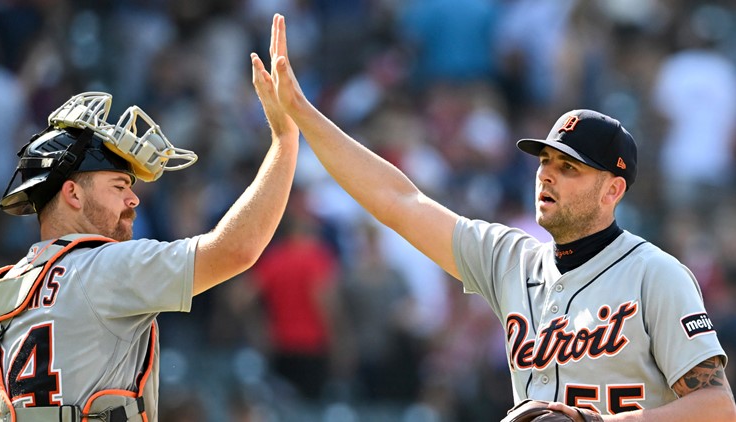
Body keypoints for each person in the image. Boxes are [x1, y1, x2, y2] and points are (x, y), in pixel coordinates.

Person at [250, 14, 736, 421]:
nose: (547, 176)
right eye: (545, 161)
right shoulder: (509, 259)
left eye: (569, 168)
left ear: (613, 189)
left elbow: (718, 406)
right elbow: (398, 202)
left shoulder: (657, 274)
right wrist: (304, 116)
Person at [0, 50, 299, 422]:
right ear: (72, 194)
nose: (133, 198)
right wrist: (285, 140)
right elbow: (236, 250)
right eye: (119, 185)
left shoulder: (1, 289)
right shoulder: (105, 265)